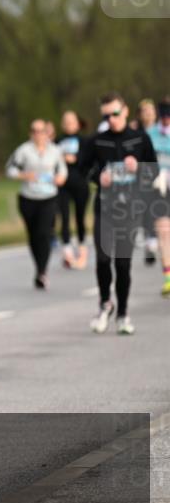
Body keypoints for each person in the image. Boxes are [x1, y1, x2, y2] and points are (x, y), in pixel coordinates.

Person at [78, 93, 158, 335]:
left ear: (124, 111)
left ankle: (123, 313)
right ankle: (105, 304)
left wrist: (139, 168)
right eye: (106, 115)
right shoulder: (97, 141)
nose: (111, 119)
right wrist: (98, 178)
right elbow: (82, 170)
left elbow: (153, 173)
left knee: (123, 265)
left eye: (114, 114)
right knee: (103, 260)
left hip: (130, 209)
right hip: (105, 207)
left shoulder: (139, 139)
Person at [6, 119, 68, 289]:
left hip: (48, 197)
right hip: (28, 198)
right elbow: (10, 170)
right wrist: (24, 175)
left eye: (41, 130)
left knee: (44, 233)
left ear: (47, 133)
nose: (38, 134)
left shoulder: (55, 150)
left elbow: (62, 170)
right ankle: (39, 267)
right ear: (30, 133)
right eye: (34, 130)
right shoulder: (23, 150)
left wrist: (60, 178)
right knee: (33, 236)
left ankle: (42, 272)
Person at [56, 110, 91, 270]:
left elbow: (87, 161)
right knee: (64, 217)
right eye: (66, 121)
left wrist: (75, 159)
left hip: (80, 184)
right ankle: (67, 250)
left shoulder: (85, 141)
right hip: (62, 186)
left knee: (79, 217)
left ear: (78, 123)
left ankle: (82, 247)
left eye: (72, 121)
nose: (68, 124)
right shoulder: (57, 141)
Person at [148, 98, 170, 296]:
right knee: (164, 232)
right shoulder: (150, 134)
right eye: (163, 118)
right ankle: (168, 278)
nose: (166, 121)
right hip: (159, 189)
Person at [137, 99, 161, 266]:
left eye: (151, 110)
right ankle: (150, 242)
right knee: (146, 209)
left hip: (163, 175)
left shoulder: (162, 131)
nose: (148, 113)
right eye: (145, 111)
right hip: (144, 175)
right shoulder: (136, 133)